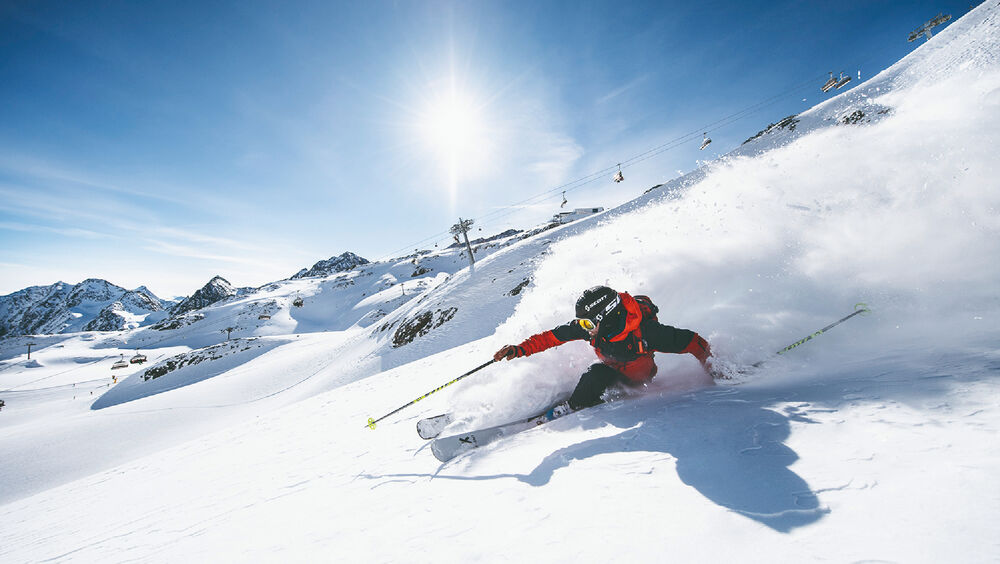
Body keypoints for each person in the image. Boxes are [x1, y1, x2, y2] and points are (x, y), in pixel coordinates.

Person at [493, 285, 714, 415]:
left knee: (595, 374)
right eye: (581, 324)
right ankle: (581, 402)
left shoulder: (647, 332)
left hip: (641, 377)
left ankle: (577, 407)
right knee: (595, 374)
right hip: (612, 369)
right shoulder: (591, 328)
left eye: (588, 324)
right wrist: (518, 349)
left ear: (605, 317)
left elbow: (693, 342)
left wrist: (715, 369)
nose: (584, 329)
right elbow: (550, 338)